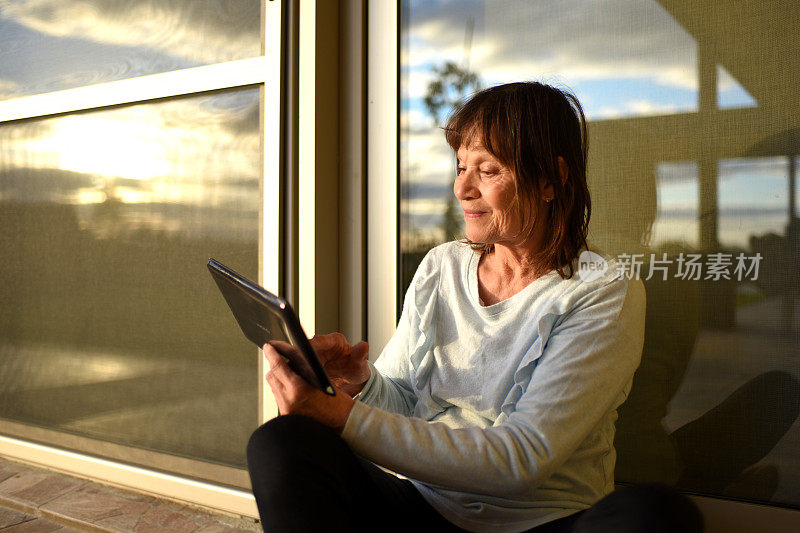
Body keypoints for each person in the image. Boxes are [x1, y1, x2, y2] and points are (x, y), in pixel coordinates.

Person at [247, 82, 646, 532]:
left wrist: (341, 415)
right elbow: (401, 404)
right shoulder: (443, 265)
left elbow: (523, 458)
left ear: (552, 179)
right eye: (460, 167)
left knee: (649, 515)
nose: (461, 187)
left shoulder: (601, 290)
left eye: (488, 170)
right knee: (280, 443)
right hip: (425, 506)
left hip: (539, 521)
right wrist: (358, 385)